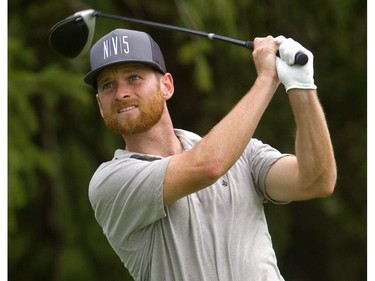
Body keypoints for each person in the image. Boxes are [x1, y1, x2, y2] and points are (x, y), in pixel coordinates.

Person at [84, 28, 337, 281]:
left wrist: (301, 86)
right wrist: (267, 79)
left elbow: (315, 180)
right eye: (108, 85)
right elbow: (208, 166)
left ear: (167, 86)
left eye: (134, 78)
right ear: (100, 105)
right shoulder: (111, 181)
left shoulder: (242, 152)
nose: (121, 93)